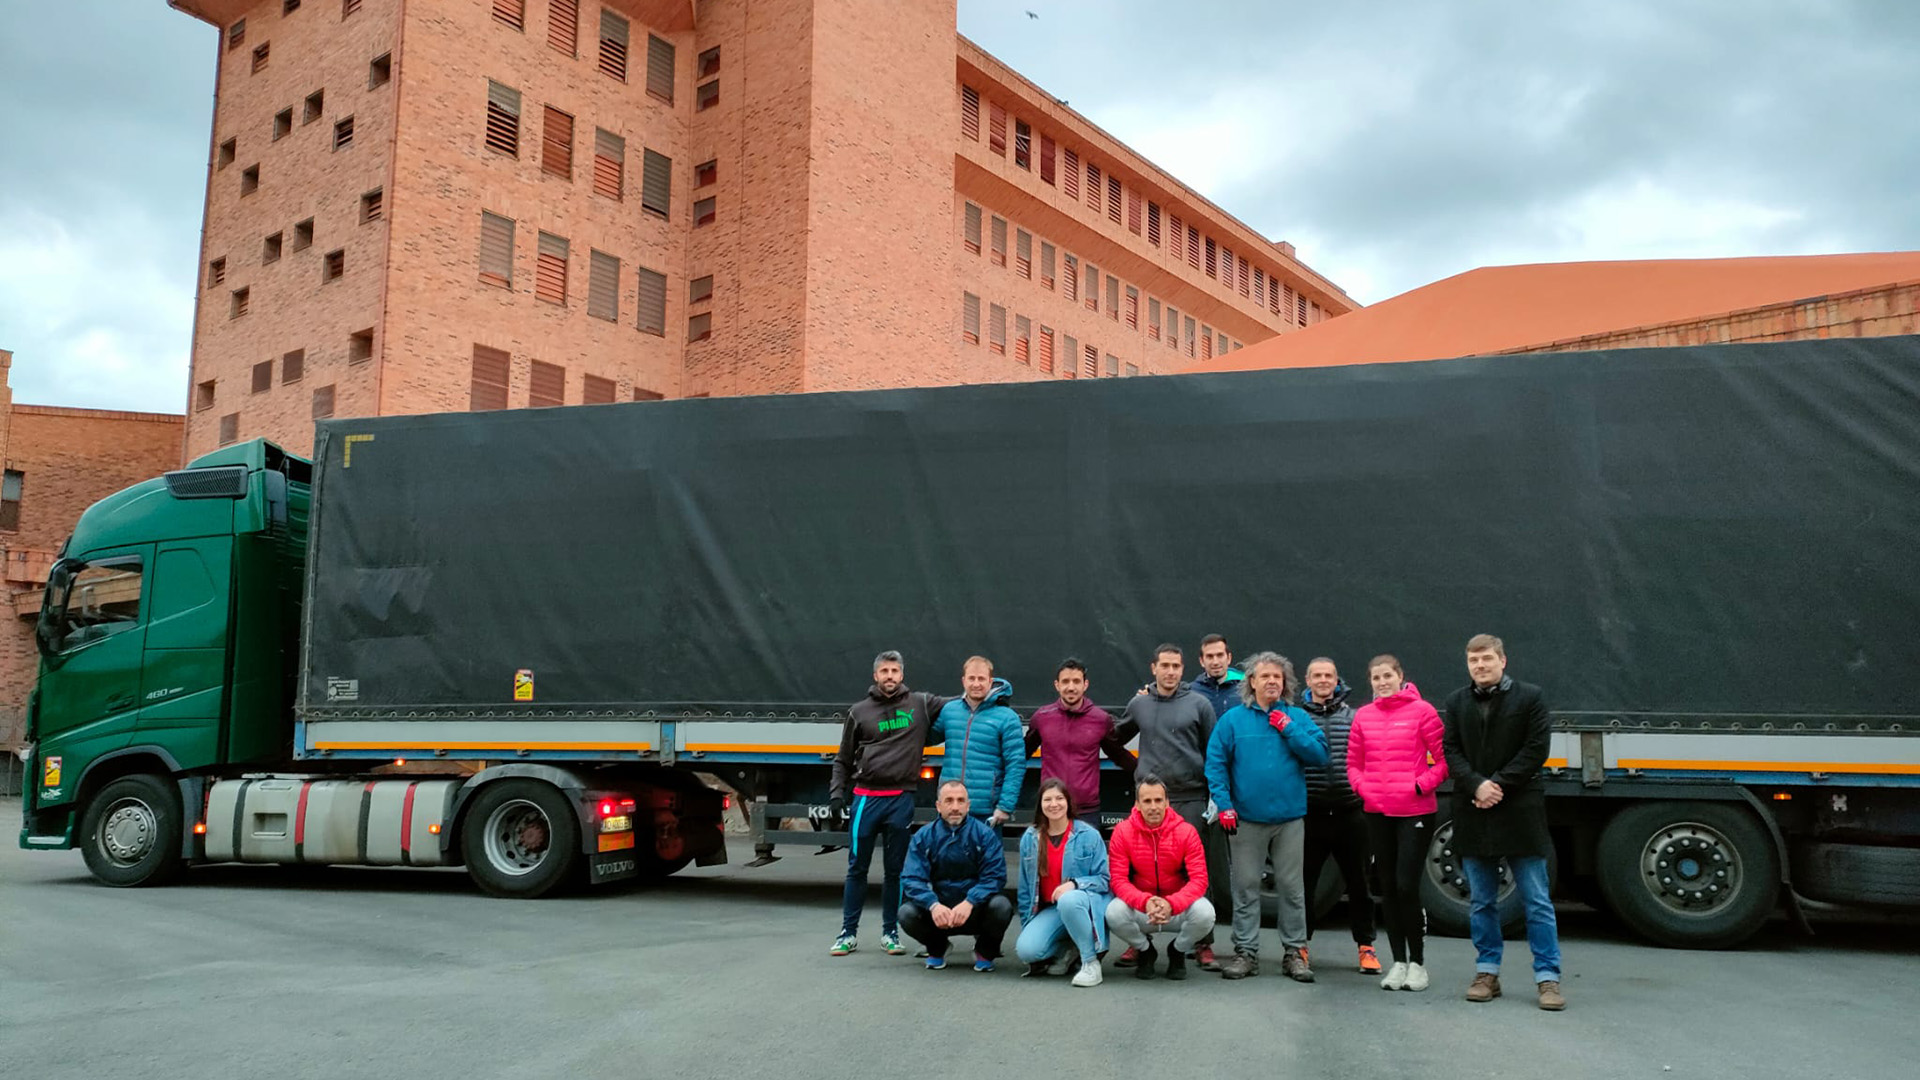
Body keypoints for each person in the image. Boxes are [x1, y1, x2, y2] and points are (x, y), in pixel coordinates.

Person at [1440, 634, 1564, 1011]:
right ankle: (1486, 973)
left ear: (1503, 661)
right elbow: (1450, 750)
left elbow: (1536, 749)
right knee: (1482, 901)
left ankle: (1548, 979)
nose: (1480, 666)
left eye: (1487, 659)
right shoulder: (1456, 702)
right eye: (1473, 660)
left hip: (1519, 810)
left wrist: (1497, 784)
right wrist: (1477, 785)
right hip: (1474, 809)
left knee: (1537, 900)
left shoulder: (1530, 697)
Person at [1204, 651, 1329, 983]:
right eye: (1266, 676)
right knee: (1244, 887)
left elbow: (1319, 755)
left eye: (1278, 677)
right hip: (1245, 820)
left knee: (1292, 888)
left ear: (1285, 683)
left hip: (1289, 820)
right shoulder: (1233, 721)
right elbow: (1215, 763)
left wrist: (1289, 729)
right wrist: (1224, 803)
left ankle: (1294, 953)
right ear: (1252, 682)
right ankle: (1246, 952)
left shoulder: (1297, 717)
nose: (1273, 681)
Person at [829, 651, 952, 958]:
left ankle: (890, 933)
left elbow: (964, 701)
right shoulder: (859, 712)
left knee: (895, 871)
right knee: (856, 869)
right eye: (884, 671)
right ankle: (848, 933)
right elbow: (843, 759)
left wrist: (993, 690)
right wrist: (836, 793)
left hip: (900, 800)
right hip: (866, 800)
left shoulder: (921, 703)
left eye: (894, 671)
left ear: (902, 674)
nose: (890, 676)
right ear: (875, 675)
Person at [1116, 644, 1224, 969]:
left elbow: (1214, 750)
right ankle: (1139, 942)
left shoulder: (1199, 704)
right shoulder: (1139, 703)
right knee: (1139, 868)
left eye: (1176, 666)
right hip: (1148, 800)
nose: (1171, 671)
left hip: (1190, 798)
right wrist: (1133, 768)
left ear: (1183, 668)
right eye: (1165, 665)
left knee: (1197, 868)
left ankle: (1203, 943)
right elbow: (1114, 737)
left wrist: (1216, 794)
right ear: (1153, 668)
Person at [1346, 654, 1449, 992]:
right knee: (1386, 888)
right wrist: (1365, 790)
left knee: (1406, 885)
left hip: (1415, 813)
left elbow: (1445, 761)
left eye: (1387, 675)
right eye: (1376, 678)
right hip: (1377, 813)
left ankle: (1418, 964)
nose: (1382, 682)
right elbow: (1353, 764)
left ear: (1400, 676)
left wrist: (1419, 785)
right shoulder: (1363, 716)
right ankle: (1398, 963)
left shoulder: (1423, 712)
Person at [1300, 656, 1382, 976]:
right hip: (1311, 815)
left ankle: (1366, 947)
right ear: (1307, 681)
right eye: (1317, 675)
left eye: (1328, 675)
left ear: (1338, 680)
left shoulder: (1355, 717)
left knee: (1360, 884)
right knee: (1304, 885)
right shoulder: (1296, 718)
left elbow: (1371, 759)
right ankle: (1300, 945)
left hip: (1350, 813)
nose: (1323, 680)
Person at [1105, 774, 1215, 981]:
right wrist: (1145, 902)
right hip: (1143, 909)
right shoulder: (1122, 832)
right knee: (1113, 912)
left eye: (1158, 800)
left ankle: (1178, 950)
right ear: (1137, 804)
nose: (1153, 806)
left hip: (1175, 908)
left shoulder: (1187, 832)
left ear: (1167, 802)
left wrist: (1171, 904)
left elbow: (1199, 879)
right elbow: (1118, 880)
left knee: (1206, 913)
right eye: (1147, 801)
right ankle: (1145, 950)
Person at [899, 781, 1015, 971]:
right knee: (906, 913)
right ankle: (937, 948)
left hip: (974, 910)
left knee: (1002, 907)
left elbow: (995, 877)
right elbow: (912, 879)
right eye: (949, 801)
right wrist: (933, 905)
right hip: (939, 913)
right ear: (938, 806)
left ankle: (985, 951)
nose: (955, 807)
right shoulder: (924, 836)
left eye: (961, 801)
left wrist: (970, 901)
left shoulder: (984, 835)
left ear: (968, 805)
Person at [1014, 778, 1112, 987]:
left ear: (1068, 802)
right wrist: (1028, 925)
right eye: (1047, 799)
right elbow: (1024, 889)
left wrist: (1075, 884)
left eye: (1059, 798)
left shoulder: (1088, 835)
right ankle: (1069, 949)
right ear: (1040, 805)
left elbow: (1105, 880)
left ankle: (1090, 962)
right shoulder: (1030, 839)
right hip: (1052, 910)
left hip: (1084, 904)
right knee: (1027, 950)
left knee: (1068, 899)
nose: (1054, 804)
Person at [1026, 658, 1134, 832]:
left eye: (1076, 681)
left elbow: (1118, 754)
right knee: (1048, 859)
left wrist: (1146, 774)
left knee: (1086, 858)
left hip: (1086, 811)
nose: (1071, 687)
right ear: (1057, 685)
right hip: (1051, 808)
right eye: (1065, 682)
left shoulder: (1100, 720)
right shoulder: (1042, 718)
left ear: (1085, 684)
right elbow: (1021, 754)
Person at [933, 656, 1025, 826]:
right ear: (963, 681)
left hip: (986, 812)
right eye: (971, 678)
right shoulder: (949, 711)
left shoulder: (1007, 718)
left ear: (990, 681)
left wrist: (1005, 806)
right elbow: (924, 738)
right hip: (950, 808)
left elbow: (1016, 765)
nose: (976, 684)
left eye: (981, 678)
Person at [1188, 633, 1245, 719]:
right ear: (1202, 661)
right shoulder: (1191, 692)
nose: (1215, 662)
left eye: (1220, 655)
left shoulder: (1246, 688)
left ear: (1229, 658)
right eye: (1210, 656)